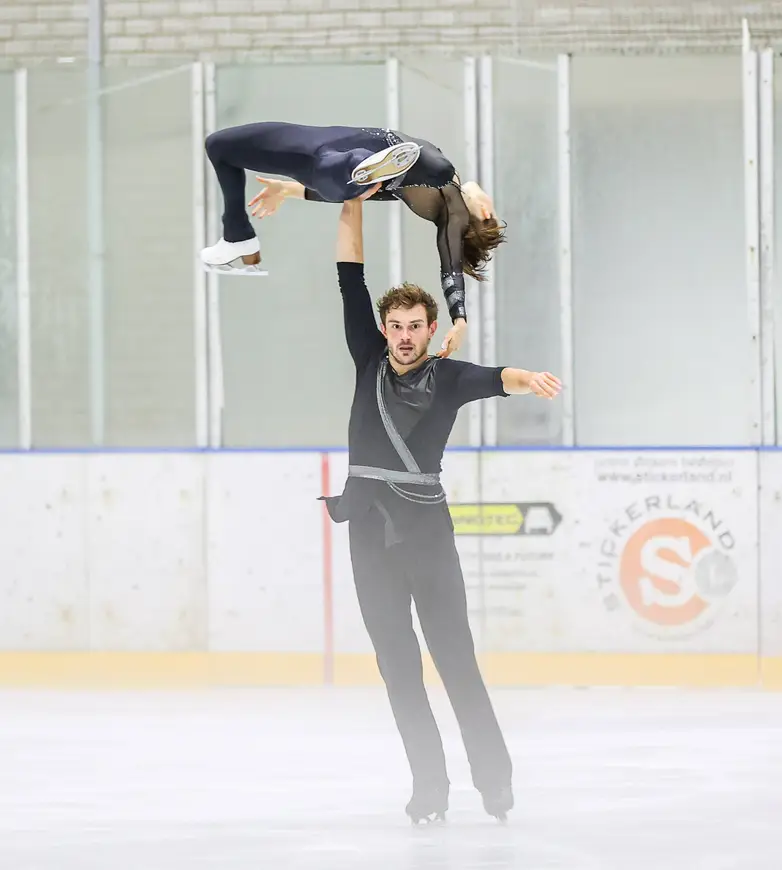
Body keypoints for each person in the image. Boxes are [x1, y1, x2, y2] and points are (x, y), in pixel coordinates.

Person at [322, 184, 562, 825]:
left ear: (433, 331)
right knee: (398, 669)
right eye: (395, 326)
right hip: (368, 531)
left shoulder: (448, 377)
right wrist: (352, 198)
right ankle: (429, 788)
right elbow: (349, 274)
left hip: (427, 533)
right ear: (384, 330)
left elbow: (500, 378)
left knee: (456, 661)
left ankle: (495, 781)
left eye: (414, 327)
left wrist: (529, 379)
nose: (404, 337)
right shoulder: (367, 359)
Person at [201, 121, 505, 358]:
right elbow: (365, 193)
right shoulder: (419, 190)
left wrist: (460, 319)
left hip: (339, 163)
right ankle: (237, 236)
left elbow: (451, 267)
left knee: (360, 176)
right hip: (320, 152)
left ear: (482, 214)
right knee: (219, 146)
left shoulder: (452, 205)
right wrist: (287, 190)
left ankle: (359, 166)